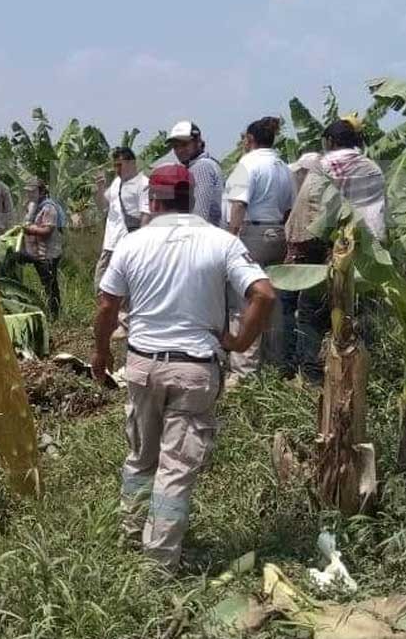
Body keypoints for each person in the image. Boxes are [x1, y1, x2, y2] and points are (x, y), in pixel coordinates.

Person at [93, 165, 275, 570]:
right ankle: (158, 563)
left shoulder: (132, 243)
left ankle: (131, 536)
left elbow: (107, 306)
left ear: (152, 200)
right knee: (174, 469)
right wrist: (239, 341)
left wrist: (100, 354)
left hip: (143, 365)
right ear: (190, 198)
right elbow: (263, 294)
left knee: (141, 457)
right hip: (194, 370)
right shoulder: (221, 242)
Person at [283, 117, 387, 381]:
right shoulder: (373, 168)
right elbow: (378, 212)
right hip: (368, 248)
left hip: (330, 248)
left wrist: (296, 247)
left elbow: (306, 212)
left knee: (310, 311)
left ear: (330, 141)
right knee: (362, 310)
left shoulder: (325, 165)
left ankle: (312, 376)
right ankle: (366, 370)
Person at [223, 116, 295, 377]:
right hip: (278, 232)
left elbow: (238, 205)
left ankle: (244, 369)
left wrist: (231, 239)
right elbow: (288, 208)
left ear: (250, 139)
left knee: (245, 301)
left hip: (251, 234)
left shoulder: (247, 164)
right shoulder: (283, 166)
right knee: (273, 303)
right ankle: (274, 363)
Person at [93, 146, 150, 293]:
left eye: (120, 165)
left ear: (132, 163)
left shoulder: (144, 184)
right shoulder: (116, 183)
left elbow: (146, 215)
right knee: (101, 287)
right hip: (110, 245)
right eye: (115, 165)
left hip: (128, 245)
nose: (117, 169)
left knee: (124, 291)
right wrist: (100, 187)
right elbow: (102, 205)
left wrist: (140, 246)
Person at [21, 177, 65, 319]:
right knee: (46, 283)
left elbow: (47, 231)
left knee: (50, 285)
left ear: (41, 192)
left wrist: (29, 229)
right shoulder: (33, 206)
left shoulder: (48, 208)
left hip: (48, 253)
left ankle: (55, 315)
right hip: (36, 251)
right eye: (28, 192)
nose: (29, 194)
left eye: (32, 192)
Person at [165, 120, 224, 226]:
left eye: (184, 144)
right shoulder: (207, 163)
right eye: (175, 146)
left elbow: (199, 214)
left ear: (198, 142)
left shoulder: (201, 167)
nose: (179, 150)